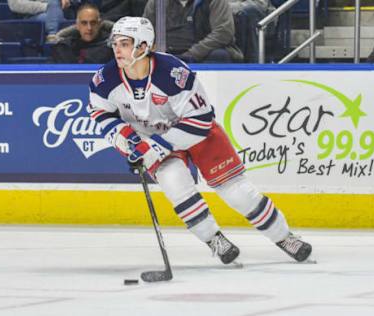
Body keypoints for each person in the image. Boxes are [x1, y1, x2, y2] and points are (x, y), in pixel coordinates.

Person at [88, 17, 312, 264]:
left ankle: (284, 237)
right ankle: (214, 239)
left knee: (237, 192)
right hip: (150, 139)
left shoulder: (173, 73)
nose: (117, 49)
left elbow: (202, 119)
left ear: (143, 46)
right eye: (115, 43)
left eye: (125, 43)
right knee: (176, 186)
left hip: (194, 134)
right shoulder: (105, 79)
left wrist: (161, 146)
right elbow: (100, 113)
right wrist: (131, 142)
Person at [143, 0, 243, 63]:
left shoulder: (215, 2)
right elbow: (145, 32)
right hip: (167, 53)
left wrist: (192, 54)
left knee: (219, 55)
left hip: (203, 54)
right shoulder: (156, 3)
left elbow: (223, 32)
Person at [7, 0, 77, 42]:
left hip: (59, 14)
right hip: (29, 18)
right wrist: (47, 7)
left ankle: (53, 37)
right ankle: (53, 35)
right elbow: (15, 5)